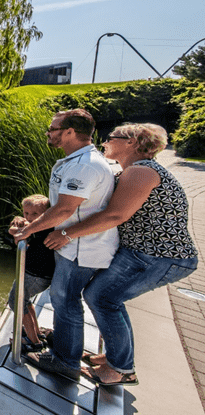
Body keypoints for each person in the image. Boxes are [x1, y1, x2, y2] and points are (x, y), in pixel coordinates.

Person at [44, 123, 198, 386]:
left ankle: (121, 370)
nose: (105, 141)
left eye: (112, 137)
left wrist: (67, 234)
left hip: (159, 256)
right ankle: (116, 359)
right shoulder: (133, 170)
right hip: (142, 253)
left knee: (103, 298)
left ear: (132, 143)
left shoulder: (142, 172)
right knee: (105, 297)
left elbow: (116, 215)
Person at [13, 109, 119, 381]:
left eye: (53, 128)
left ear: (70, 132)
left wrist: (28, 231)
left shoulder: (84, 165)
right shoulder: (79, 160)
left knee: (66, 302)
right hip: (74, 245)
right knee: (64, 301)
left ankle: (66, 361)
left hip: (80, 248)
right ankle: (64, 346)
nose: (48, 132)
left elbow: (64, 210)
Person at [6, 194, 54, 352]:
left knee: (16, 302)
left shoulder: (41, 228)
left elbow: (13, 230)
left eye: (35, 214)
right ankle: (35, 333)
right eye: (26, 213)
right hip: (37, 275)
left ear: (46, 214)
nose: (29, 217)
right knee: (25, 302)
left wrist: (19, 223)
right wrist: (22, 220)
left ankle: (34, 343)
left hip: (34, 275)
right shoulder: (46, 225)